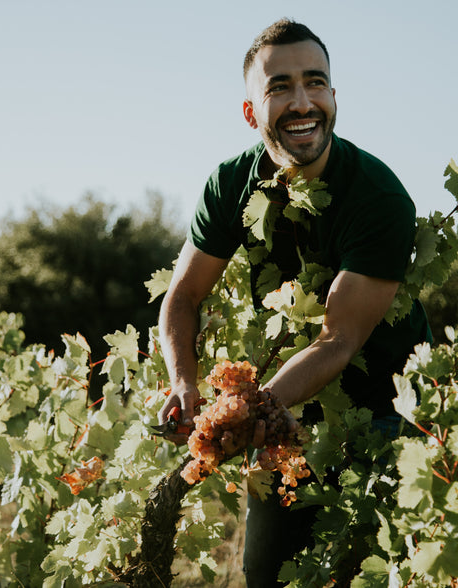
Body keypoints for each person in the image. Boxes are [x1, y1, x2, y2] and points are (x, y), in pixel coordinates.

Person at [156, 19, 432, 586]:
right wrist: (186, 383)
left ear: (333, 96)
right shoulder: (231, 185)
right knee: (269, 575)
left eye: (315, 82)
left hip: (385, 413)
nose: (302, 101)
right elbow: (183, 295)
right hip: (285, 411)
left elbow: (340, 338)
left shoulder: (378, 197)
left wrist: (242, 414)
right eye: (279, 86)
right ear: (252, 112)